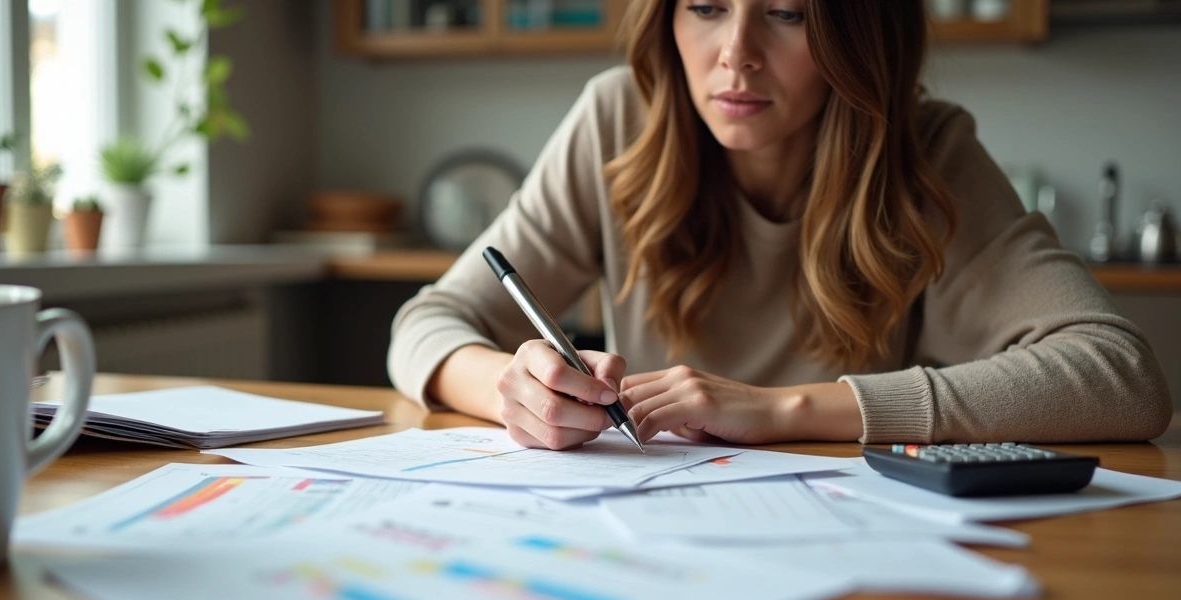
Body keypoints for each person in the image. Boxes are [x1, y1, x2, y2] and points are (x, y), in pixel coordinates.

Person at [388, 0, 1173, 450]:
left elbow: (1121, 379)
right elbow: (428, 321)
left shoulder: (925, 150)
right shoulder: (618, 117)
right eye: (705, 7)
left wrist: (779, 409)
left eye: (787, 12)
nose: (736, 54)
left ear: (858, 32)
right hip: (643, 541)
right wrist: (510, 390)